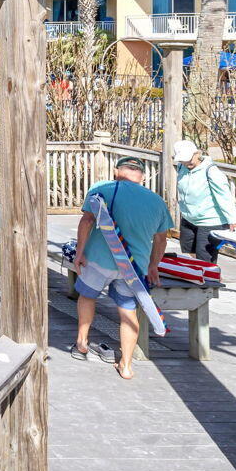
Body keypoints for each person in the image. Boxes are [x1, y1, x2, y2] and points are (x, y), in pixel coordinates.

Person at [71, 157, 171, 380]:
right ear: (142, 176)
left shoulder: (102, 188)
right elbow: (161, 239)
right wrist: (153, 266)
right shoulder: (157, 201)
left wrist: (79, 253)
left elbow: (87, 221)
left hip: (100, 259)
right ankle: (126, 365)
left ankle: (82, 342)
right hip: (134, 267)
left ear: (117, 171)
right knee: (127, 311)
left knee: (87, 296)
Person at [172, 139, 236, 261]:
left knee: (205, 257)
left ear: (197, 153)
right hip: (189, 218)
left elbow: (224, 196)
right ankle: (199, 270)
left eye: (189, 159)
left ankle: (209, 272)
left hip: (210, 221)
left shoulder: (211, 171)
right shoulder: (181, 167)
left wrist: (232, 220)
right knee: (189, 251)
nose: (187, 162)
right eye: (183, 160)